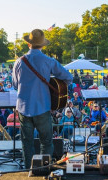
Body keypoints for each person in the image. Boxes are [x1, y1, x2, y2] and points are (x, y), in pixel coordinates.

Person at [12, 29, 73, 169]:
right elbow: (68, 78)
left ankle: (29, 171)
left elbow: (15, 85)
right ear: (42, 45)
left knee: (26, 143)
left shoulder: (18, 62)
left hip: (23, 108)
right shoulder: (49, 61)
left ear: (29, 44)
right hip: (42, 107)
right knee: (46, 142)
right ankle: (43, 170)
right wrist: (54, 84)